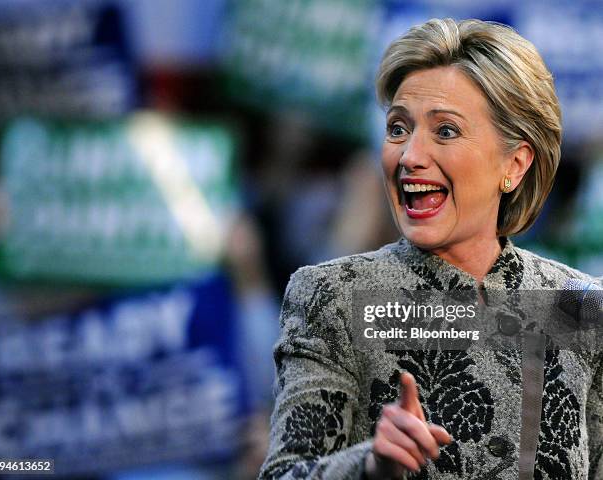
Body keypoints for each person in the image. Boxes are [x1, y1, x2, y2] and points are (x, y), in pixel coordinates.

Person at [258, 18, 603, 479]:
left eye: (445, 131)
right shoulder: (331, 296)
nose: (409, 156)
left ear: (515, 163)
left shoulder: (580, 305)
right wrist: (370, 465)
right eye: (398, 128)